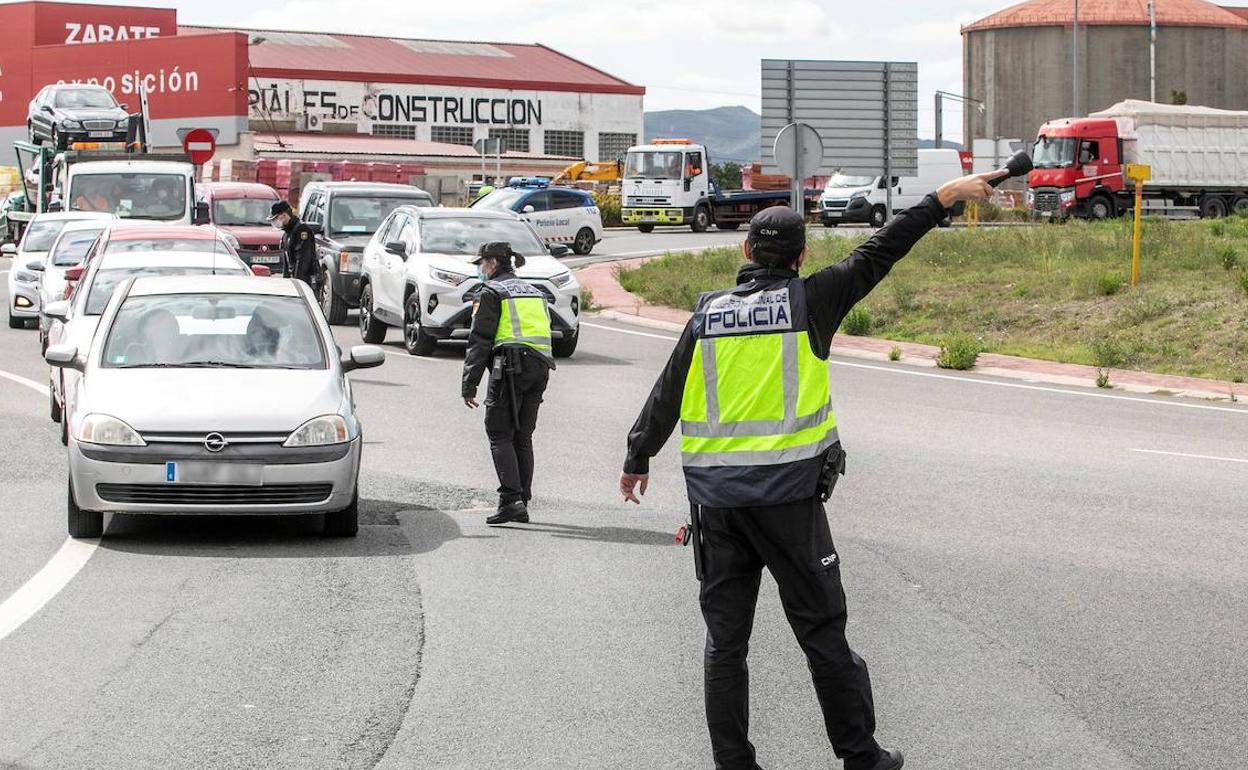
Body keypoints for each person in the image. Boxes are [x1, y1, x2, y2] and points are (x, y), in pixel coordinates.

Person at [618, 171, 1001, 770]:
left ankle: (735, 764)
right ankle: (859, 756)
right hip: (788, 503)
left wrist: (638, 455)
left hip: (716, 505)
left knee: (725, 645)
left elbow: (669, 387)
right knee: (823, 635)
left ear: (746, 251)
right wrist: (943, 197)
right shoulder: (811, 300)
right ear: (801, 256)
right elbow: (884, 247)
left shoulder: (707, 314)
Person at [462, 241, 555, 526]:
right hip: (540, 367)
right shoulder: (534, 291)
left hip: (511, 367)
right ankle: (520, 500)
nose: (480, 269)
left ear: (491, 263)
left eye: (481, 264)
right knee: (522, 436)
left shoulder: (491, 292)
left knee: (499, 432)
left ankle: (511, 500)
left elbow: (480, 340)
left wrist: (469, 383)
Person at [268, 200, 320, 291]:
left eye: (275, 219)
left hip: (305, 281)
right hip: (293, 280)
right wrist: (286, 283)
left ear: (283, 215)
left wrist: (297, 284)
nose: (274, 222)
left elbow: (303, 260)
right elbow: (287, 261)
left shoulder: (301, 230)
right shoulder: (287, 233)